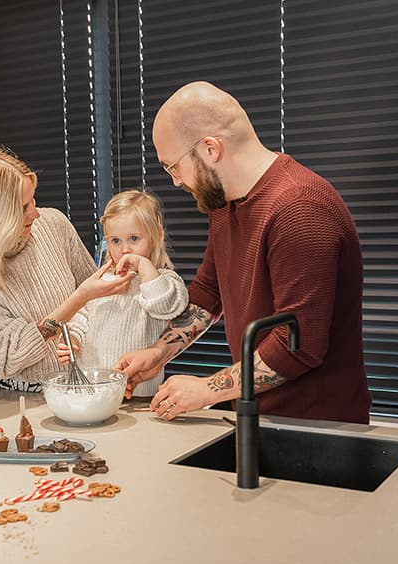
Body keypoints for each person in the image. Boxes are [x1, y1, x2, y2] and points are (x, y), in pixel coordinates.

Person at [115, 82, 372, 424]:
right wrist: (158, 353)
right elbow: (209, 293)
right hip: (257, 417)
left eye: (173, 166)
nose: (175, 180)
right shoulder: (224, 203)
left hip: (316, 426)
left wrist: (206, 389)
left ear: (210, 149)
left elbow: (298, 346)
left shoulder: (300, 209)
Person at [0, 147, 131, 392]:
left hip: (76, 381)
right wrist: (78, 298)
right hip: (13, 394)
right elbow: (8, 357)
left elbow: (98, 303)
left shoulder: (54, 224)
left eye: (33, 200)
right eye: (22, 207)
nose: (35, 213)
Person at [56, 190, 188, 397]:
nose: (125, 249)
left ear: (155, 236)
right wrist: (71, 340)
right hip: (93, 390)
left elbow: (164, 305)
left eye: (134, 238)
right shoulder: (101, 283)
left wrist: (143, 265)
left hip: (139, 394)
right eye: (116, 241)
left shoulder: (165, 281)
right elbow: (80, 318)